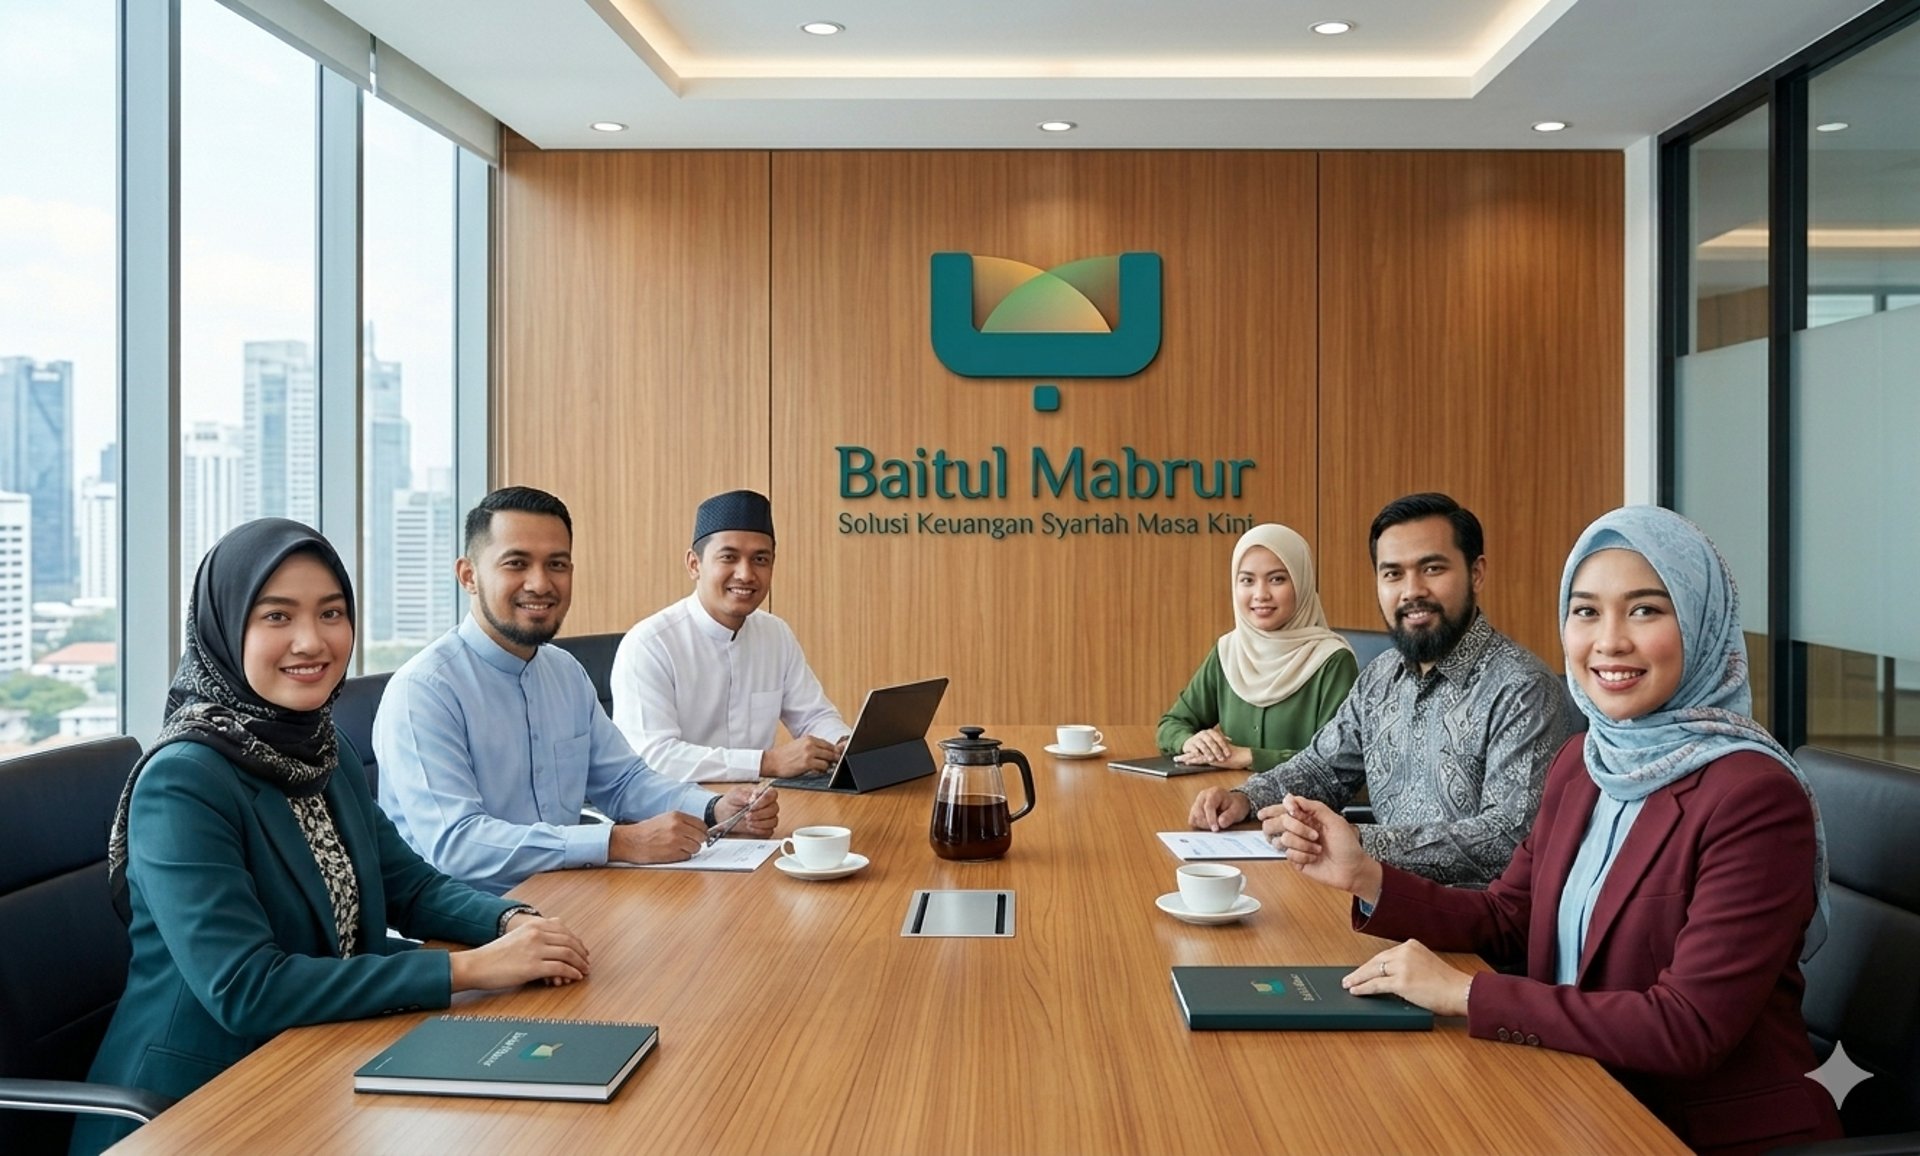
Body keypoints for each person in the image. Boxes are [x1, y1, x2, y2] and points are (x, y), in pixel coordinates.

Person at [1272, 506, 1842, 1156]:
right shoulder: (1587, 761)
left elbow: (1688, 1028)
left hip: (1685, 1131)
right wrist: (1366, 875)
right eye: (1587, 611)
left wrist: (1465, 993)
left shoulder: (1753, 796)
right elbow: (1510, 916)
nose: (1610, 641)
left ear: (1702, 623)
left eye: (1646, 610)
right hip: (1567, 1089)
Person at [74, 520, 591, 1155]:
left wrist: (511, 921)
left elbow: (410, 884)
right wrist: (468, 969)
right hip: (194, 1105)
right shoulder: (184, 780)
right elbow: (247, 988)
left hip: (322, 1061)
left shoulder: (322, 748)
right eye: (276, 616)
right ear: (225, 625)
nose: (310, 641)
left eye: (331, 613)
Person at [376, 487, 777, 895]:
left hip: (567, 897)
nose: (540, 583)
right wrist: (619, 842)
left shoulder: (564, 671)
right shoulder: (424, 691)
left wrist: (713, 809)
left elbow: (623, 781)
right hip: (466, 928)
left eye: (557, 564)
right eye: (516, 563)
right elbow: (457, 846)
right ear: (468, 576)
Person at [1190, 493, 1578, 887]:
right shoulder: (1380, 677)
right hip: (1384, 902)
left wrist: (1361, 843)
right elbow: (1322, 768)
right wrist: (1245, 798)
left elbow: (1508, 839)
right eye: (1393, 574)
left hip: (1472, 928)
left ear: (1476, 573)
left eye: (1432, 568)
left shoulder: (1522, 689)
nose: (1412, 591)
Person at [610, 489, 851, 782]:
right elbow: (654, 757)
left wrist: (842, 743)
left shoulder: (775, 635)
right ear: (694, 564)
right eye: (729, 557)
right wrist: (766, 762)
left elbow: (814, 716)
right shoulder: (649, 644)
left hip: (757, 813)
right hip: (671, 816)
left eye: (760, 559)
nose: (746, 574)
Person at [1157, 523, 1358, 772]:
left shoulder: (1332, 661)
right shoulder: (1229, 651)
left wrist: (1251, 757)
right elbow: (1171, 724)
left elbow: (1336, 759)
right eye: (1247, 580)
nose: (1260, 594)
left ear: (1302, 582)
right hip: (1227, 800)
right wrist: (1189, 741)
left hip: (1298, 807)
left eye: (1276, 579)